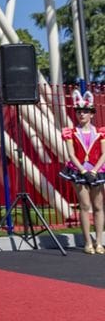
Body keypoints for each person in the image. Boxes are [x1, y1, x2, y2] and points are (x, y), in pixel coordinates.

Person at [60, 89, 105, 254]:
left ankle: (99, 242)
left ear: (92, 114)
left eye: (85, 111)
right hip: (78, 171)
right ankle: (88, 243)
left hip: (97, 170)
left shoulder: (101, 132)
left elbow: (104, 153)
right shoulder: (70, 132)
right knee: (85, 206)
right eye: (79, 111)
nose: (81, 114)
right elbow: (71, 154)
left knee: (99, 205)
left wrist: (93, 171)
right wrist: (83, 171)